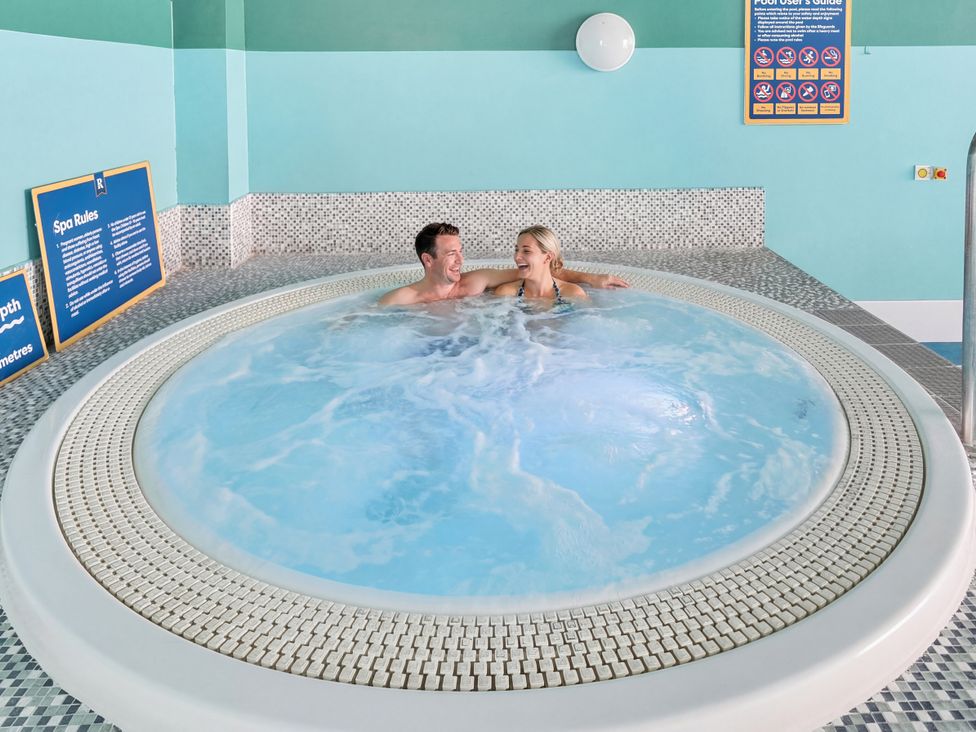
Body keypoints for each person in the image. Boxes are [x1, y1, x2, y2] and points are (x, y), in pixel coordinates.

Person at [378, 223, 627, 306]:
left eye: (460, 252)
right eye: (451, 254)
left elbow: (540, 272)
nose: (461, 260)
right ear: (428, 260)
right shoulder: (402, 299)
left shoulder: (478, 281)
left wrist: (592, 279)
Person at [494, 225, 586, 302]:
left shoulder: (572, 294)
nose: (516, 257)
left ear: (548, 257)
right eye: (516, 250)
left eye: (526, 251)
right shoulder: (506, 294)